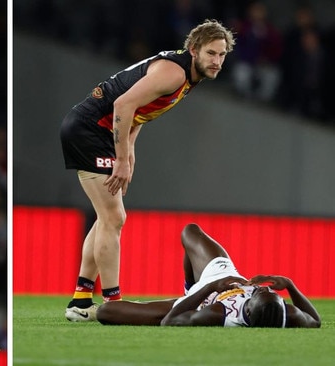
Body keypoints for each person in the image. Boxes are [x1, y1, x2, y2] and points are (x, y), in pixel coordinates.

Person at [59, 19, 236, 322]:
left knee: (107, 216)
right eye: (211, 53)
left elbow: (139, 111)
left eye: (221, 55)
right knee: (114, 218)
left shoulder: (186, 74)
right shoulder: (174, 72)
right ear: (194, 50)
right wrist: (122, 158)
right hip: (89, 130)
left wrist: (130, 151)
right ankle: (113, 302)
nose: (217, 61)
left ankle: (80, 300)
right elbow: (123, 106)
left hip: (97, 131)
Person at [95, 223, 321, 328]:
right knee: (190, 231)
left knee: (106, 312)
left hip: (202, 299)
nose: (264, 289)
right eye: (270, 291)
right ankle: (190, 284)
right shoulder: (285, 313)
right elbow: (316, 321)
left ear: (249, 310)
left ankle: (188, 291)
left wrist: (209, 288)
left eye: (260, 293)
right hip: (227, 276)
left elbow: (169, 321)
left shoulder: (218, 313)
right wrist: (289, 285)